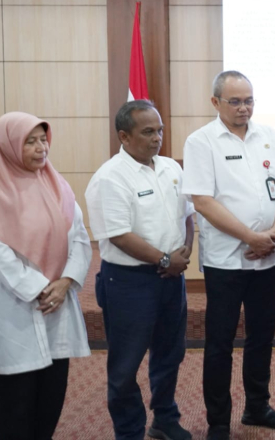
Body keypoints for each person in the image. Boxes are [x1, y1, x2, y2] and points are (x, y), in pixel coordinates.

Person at [182, 70, 275, 440]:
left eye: (249, 100)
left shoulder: (267, 135)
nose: (244, 108)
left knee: (262, 334)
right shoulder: (201, 141)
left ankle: (257, 406)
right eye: (235, 101)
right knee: (219, 342)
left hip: (266, 256)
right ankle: (218, 421)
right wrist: (251, 235)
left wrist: (273, 233)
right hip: (227, 260)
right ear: (215, 102)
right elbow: (202, 200)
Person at [86, 100, 195, 440]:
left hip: (170, 279)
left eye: (159, 130)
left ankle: (164, 419)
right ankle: (129, 432)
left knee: (169, 353)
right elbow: (118, 235)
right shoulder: (110, 177)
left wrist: (185, 250)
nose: (157, 138)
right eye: (148, 132)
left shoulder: (171, 169)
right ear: (124, 135)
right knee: (125, 365)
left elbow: (188, 215)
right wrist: (165, 259)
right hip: (129, 283)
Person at [0, 112, 92, 440]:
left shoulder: (58, 186)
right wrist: (44, 289)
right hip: (12, 305)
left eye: (43, 140)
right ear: (8, 146)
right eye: (30, 141)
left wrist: (66, 282)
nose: (40, 148)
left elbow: (80, 239)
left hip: (57, 303)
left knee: (52, 392)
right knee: (15, 394)